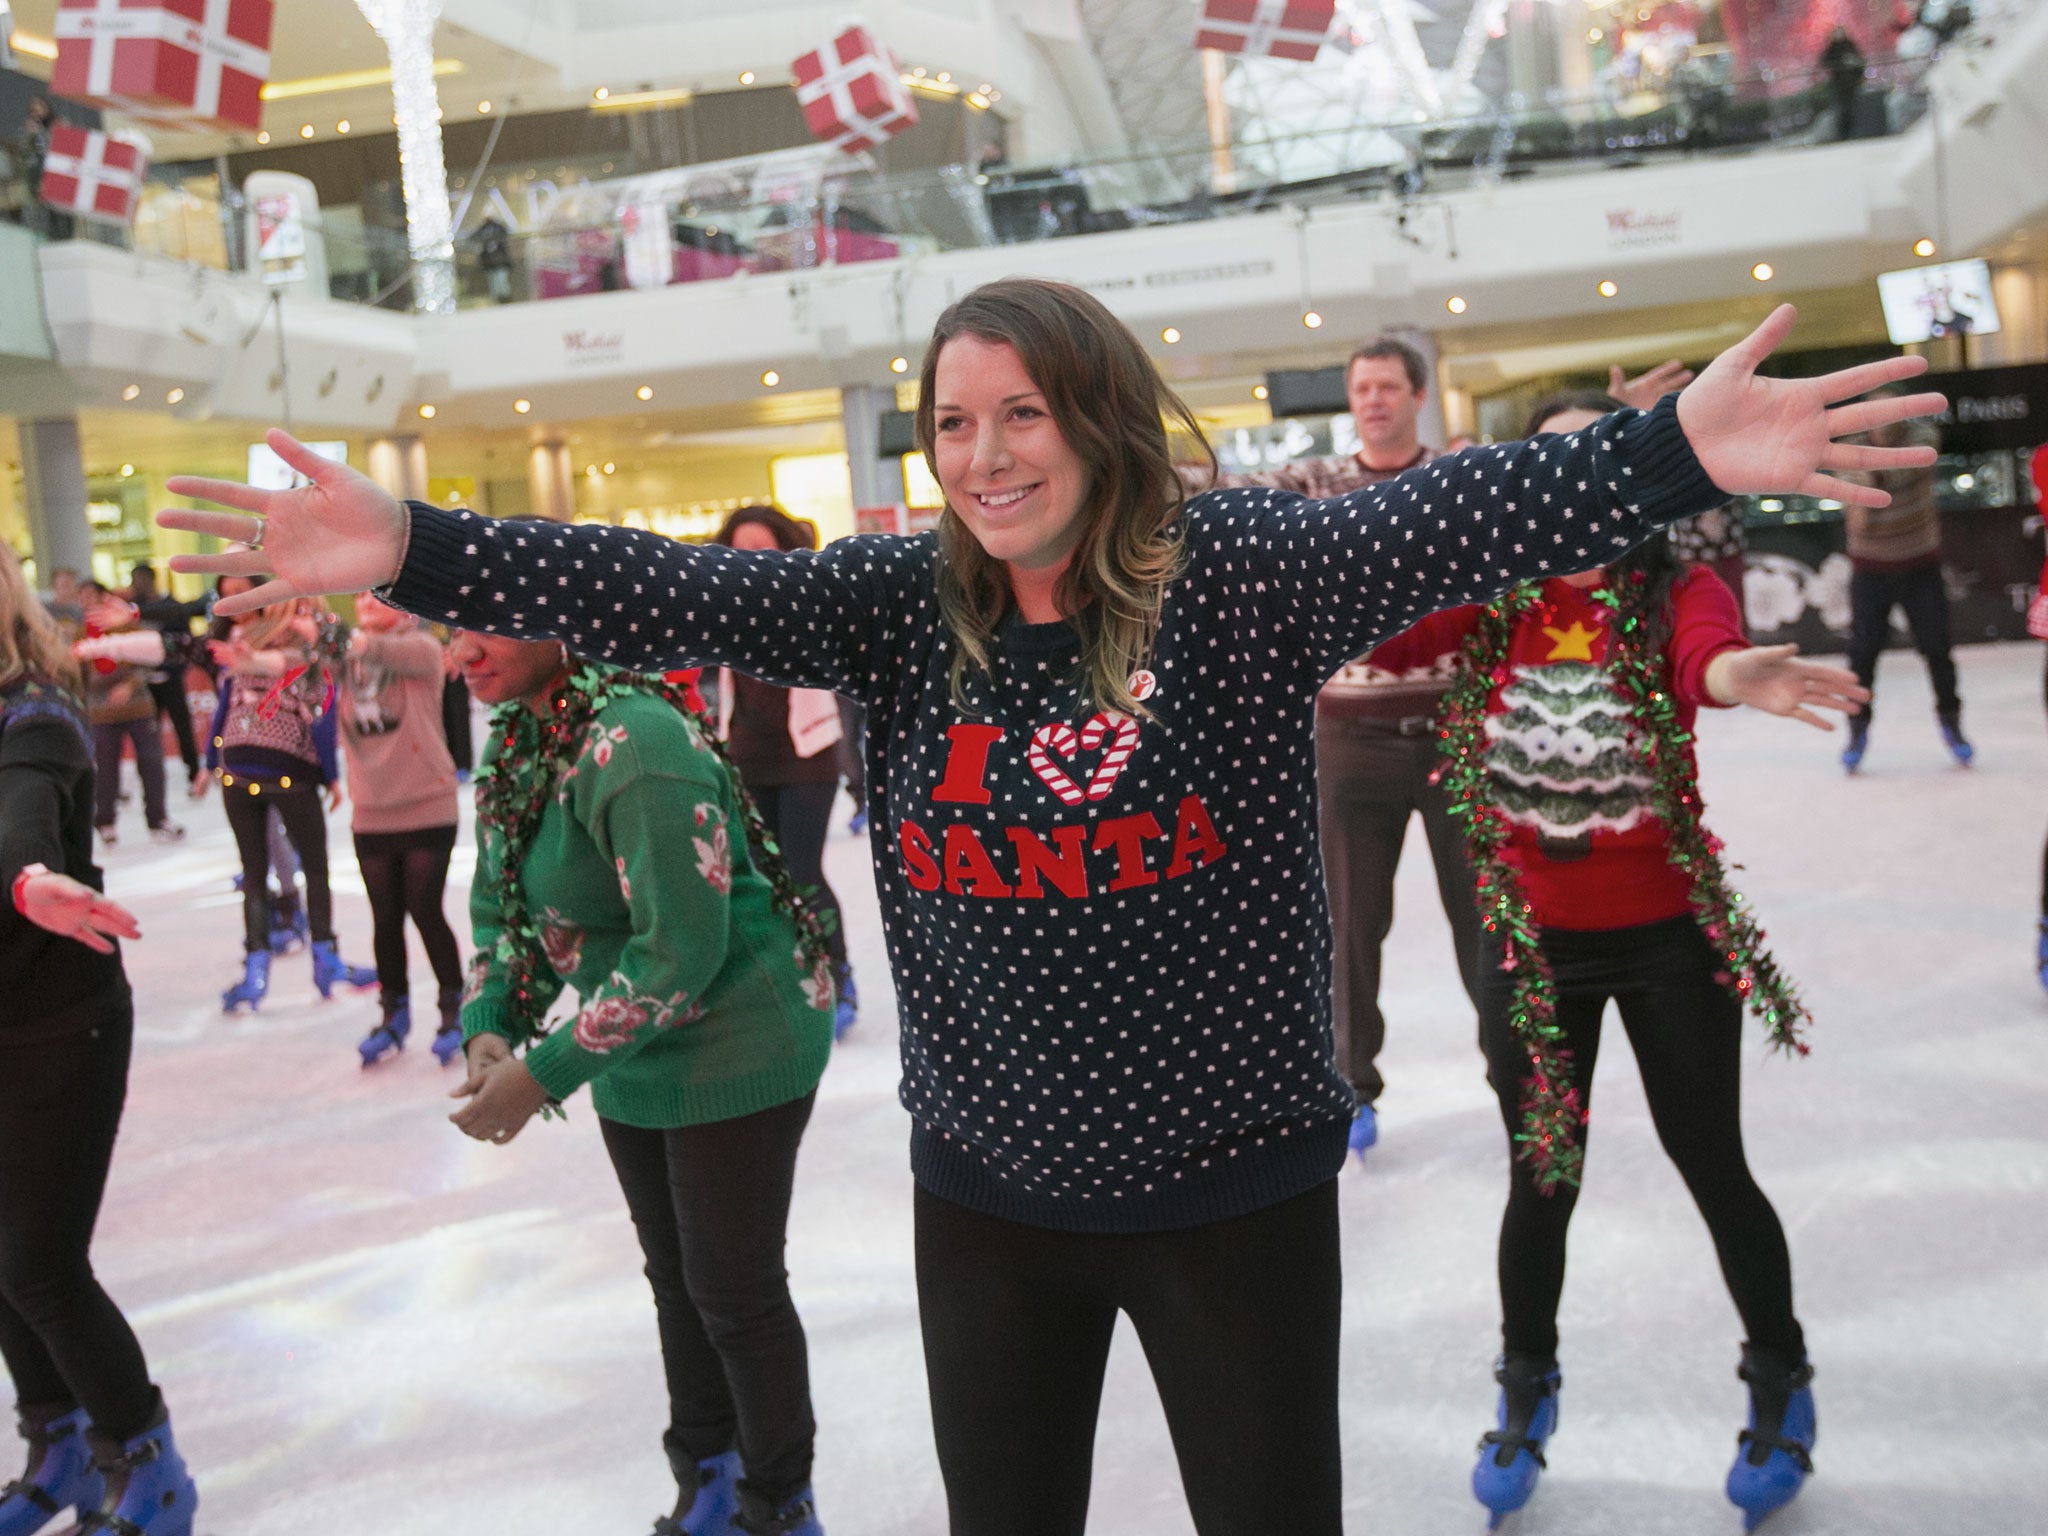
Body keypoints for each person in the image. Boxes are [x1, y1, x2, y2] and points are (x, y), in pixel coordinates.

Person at [164, 286, 1939, 1536]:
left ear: (1090, 411)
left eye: (1019, 410)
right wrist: (409, 540)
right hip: (988, 1206)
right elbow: (654, 578)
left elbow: (1469, 509)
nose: (984, 453)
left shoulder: (1240, 575)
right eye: (951, 418)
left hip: (1230, 1195)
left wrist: (1667, 455)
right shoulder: (884, 609)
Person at [1375, 395, 1865, 1530]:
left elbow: (1706, 656)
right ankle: (1524, 1387)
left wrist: (1738, 678)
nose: (1576, 489)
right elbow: (1382, 635)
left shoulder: (1671, 589)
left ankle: (1779, 1383)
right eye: (1549, 468)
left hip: (1665, 937)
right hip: (1533, 951)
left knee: (1710, 1161)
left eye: (1597, 462)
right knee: (1541, 1176)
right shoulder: (1491, 604)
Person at [1209, 341, 1696, 1159]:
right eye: (1360, 387)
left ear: (1418, 395)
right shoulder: (1313, 483)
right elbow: (1226, 511)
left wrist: (1627, 433)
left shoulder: (1461, 478)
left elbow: (1562, 488)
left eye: (1387, 386)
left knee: (1487, 916)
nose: (1372, 400)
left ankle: (1511, 1071)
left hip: (1454, 738)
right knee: (1348, 927)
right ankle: (1351, 1085)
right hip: (1349, 741)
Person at [445, 627, 833, 1536]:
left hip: (739, 1041)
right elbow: (503, 912)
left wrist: (542, 1074)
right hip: (628, 1043)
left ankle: (780, 1505)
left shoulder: (638, 741)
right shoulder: (518, 735)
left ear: (557, 617)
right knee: (678, 1281)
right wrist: (490, 1026)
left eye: (483, 625)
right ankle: (706, 1479)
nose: (461, 650)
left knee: (733, 1292)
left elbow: (681, 951)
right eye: (445, 627)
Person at [0, 545, 199, 1536]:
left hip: (56, 1022)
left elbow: (20, 825)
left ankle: (148, 1464)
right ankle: (61, 1447)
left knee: (39, 1261)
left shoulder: (32, 711)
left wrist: (31, 880)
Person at [712, 504, 858, 1039]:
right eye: (738, 551)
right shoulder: (722, 611)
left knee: (802, 872)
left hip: (806, 760)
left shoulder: (808, 602)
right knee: (760, 881)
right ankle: (784, 978)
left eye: (761, 550)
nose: (749, 561)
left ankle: (838, 975)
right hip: (748, 761)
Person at [206, 596, 375, 1011]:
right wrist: (331, 776)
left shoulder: (245, 640)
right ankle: (325, 958)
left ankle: (256, 969)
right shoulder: (308, 652)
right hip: (286, 767)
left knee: (254, 870)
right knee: (315, 868)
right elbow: (319, 717)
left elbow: (225, 703)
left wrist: (213, 760)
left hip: (237, 766)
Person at [338, 592, 465, 1067]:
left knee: (425, 907)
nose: (365, 601)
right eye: (359, 594)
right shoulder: (342, 656)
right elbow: (297, 665)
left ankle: (454, 1008)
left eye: (378, 594)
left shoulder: (423, 650)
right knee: (384, 915)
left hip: (427, 803)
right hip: (371, 807)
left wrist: (334, 638)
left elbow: (378, 650)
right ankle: (393, 1014)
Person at [1839, 401, 1968, 771]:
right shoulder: (1850, 450)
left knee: (1937, 650)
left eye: (1890, 415)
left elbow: (1916, 462)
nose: (1884, 423)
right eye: (1876, 417)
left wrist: (1870, 478)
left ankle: (1952, 724)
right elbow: (1859, 523)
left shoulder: (1920, 436)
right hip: (1870, 571)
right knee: (1862, 657)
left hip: (1920, 566)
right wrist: (1863, 487)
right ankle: (1856, 732)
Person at [76, 583, 183, 845]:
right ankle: (105, 821)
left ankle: (158, 818)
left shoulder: (126, 624)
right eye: (83, 598)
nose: (88, 603)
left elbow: (149, 660)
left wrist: (129, 684)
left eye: (92, 596)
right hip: (100, 711)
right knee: (106, 768)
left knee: (151, 762)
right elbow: (75, 673)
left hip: (138, 706)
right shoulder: (79, 634)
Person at [125, 563, 208, 795]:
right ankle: (149, 778)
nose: (137, 584)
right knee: (145, 731)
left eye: (140, 579)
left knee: (181, 725)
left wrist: (177, 668)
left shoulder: (171, 606)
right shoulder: (133, 610)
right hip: (143, 679)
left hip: (170, 676)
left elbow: (186, 639)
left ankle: (193, 773)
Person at [1819, 27, 1867, 141]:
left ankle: (1852, 133)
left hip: (1851, 84)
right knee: (1841, 111)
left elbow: (1860, 62)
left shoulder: (1850, 46)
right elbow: (1825, 62)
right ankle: (1842, 135)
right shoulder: (1832, 48)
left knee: (1852, 110)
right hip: (1839, 85)